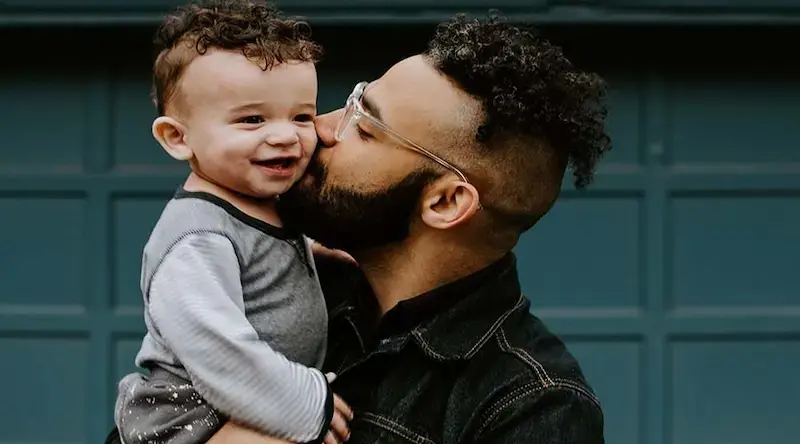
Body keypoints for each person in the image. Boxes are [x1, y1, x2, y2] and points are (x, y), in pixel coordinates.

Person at [212, 10, 613, 444]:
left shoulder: (531, 405)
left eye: (364, 127)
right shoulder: (273, 282)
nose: (318, 128)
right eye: (352, 101)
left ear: (445, 202)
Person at [111, 1, 351, 444]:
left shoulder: (263, 203)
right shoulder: (198, 238)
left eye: (301, 116)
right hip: (192, 415)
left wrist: (316, 253)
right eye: (252, 119)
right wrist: (303, 402)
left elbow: (261, 260)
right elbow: (217, 349)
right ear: (177, 137)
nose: (285, 135)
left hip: (240, 403)